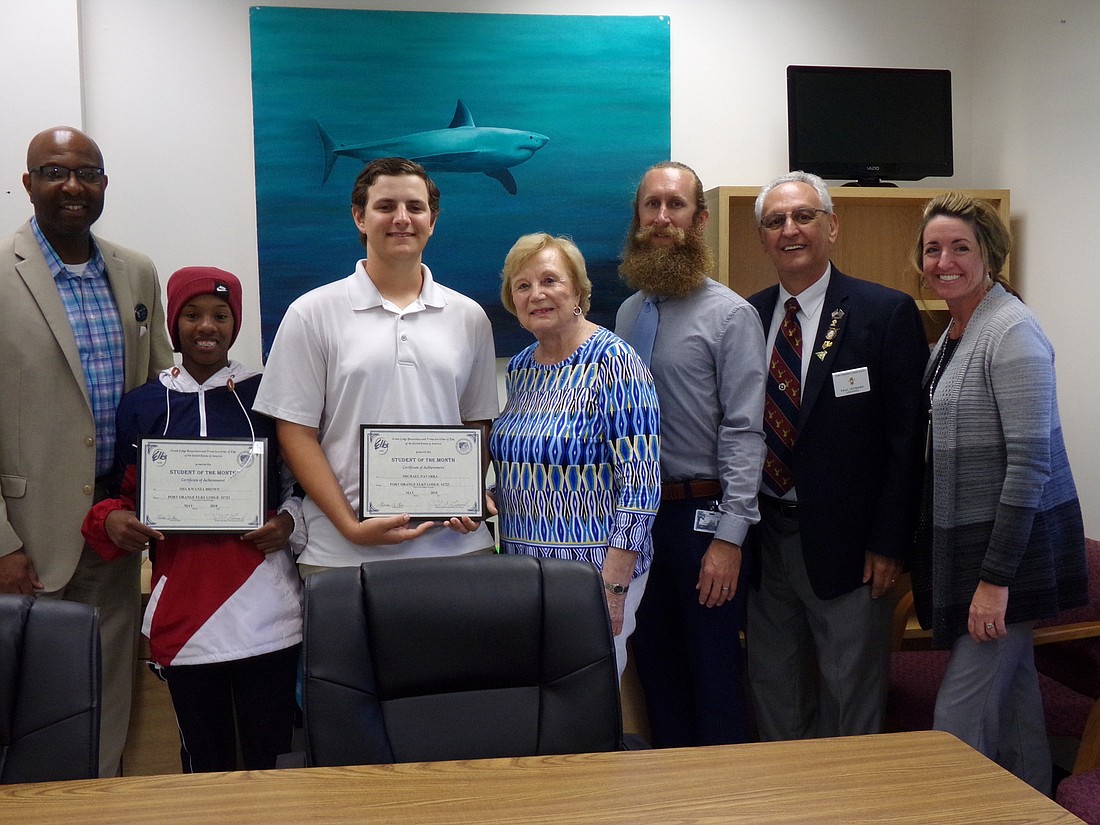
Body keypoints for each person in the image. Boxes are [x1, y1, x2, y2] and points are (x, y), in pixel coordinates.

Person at [81, 267, 305, 772]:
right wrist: (116, 520)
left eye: (221, 315)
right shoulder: (141, 404)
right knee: (205, 763)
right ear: (172, 323)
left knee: (273, 756)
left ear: (236, 322)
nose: (207, 326)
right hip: (183, 615)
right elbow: (120, 492)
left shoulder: (267, 395)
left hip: (267, 607)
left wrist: (288, 523)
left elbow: (300, 487)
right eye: (192, 314)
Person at [0, 126, 173, 776]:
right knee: (29, 695)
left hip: (115, 524)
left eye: (86, 173)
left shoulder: (135, 271)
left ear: (104, 183)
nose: (72, 186)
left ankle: (96, 804)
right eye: (53, 172)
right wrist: (2, 544)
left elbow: (160, 396)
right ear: (28, 184)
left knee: (105, 692)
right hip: (27, 532)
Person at [912, 192, 1087, 793]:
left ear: (991, 254)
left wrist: (994, 582)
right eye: (933, 249)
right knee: (1015, 710)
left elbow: (1029, 465)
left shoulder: (1012, 331)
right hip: (978, 556)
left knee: (953, 723)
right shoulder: (954, 333)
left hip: (1011, 562)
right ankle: (1034, 804)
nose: (944, 261)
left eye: (961, 247)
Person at [744, 170, 928, 741]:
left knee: (850, 697)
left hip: (853, 551)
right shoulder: (745, 318)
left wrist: (890, 543)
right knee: (774, 691)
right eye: (775, 221)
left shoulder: (884, 313)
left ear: (833, 228)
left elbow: (907, 443)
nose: (790, 230)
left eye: (804, 216)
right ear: (763, 238)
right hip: (765, 539)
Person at [254, 157, 499, 570]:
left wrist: (466, 494)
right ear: (359, 217)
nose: (402, 218)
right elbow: (295, 432)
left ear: (432, 220)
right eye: (385, 206)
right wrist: (350, 527)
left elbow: (477, 422)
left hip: (454, 548)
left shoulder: (470, 316)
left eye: (415, 207)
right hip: (341, 551)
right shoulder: (311, 312)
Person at [615, 161, 767, 746]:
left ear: (699, 219)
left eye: (675, 206)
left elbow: (745, 430)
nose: (661, 218)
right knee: (655, 669)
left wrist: (729, 538)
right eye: (650, 206)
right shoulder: (628, 315)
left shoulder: (731, 315)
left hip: (701, 522)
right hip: (636, 523)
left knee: (714, 674)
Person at [490, 233, 660, 680]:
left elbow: (642, 484)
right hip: (525, 571)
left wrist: (614, 584)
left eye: (550, 280)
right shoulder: (523, 366)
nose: (536, 294)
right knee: (537, 701)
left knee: (587, 702)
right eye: (522, 285)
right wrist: (486, 495)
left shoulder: (615, 362)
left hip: (590, 575)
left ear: (579, 292)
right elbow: (528, 460)